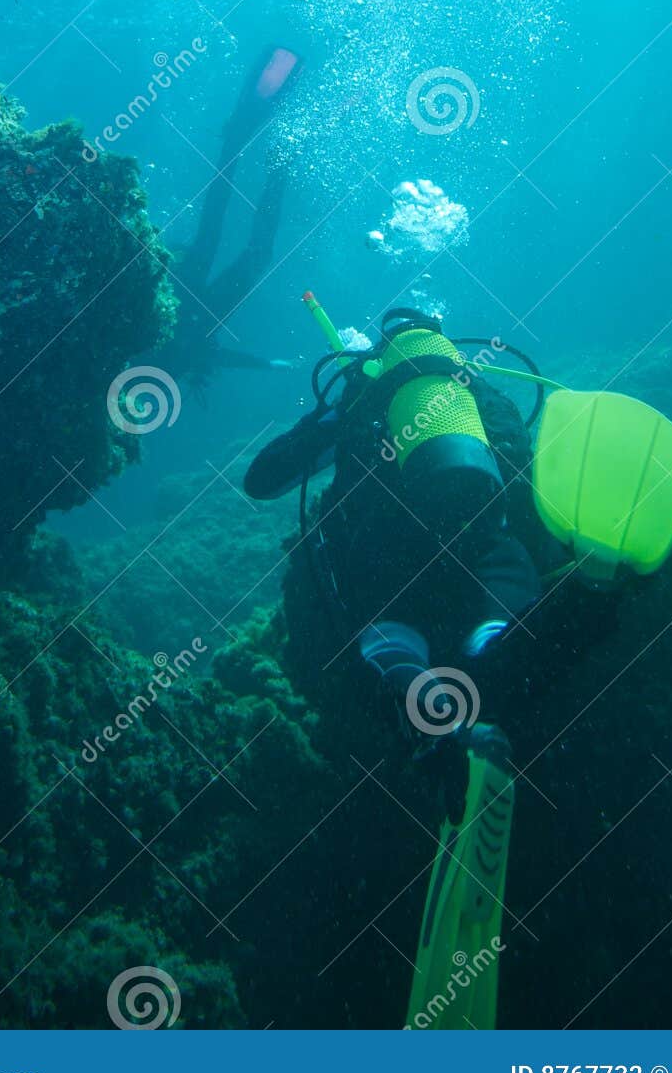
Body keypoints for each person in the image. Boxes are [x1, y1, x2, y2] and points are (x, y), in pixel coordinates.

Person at [244, 307, 607, 813]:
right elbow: (518, 461)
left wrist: (341, 412)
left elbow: (263, 481)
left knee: (390, 625)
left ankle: (427, 703)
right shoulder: (475, 387)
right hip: (480, 527)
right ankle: (507, 645)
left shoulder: (364, 389)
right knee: (498, 591)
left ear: (380, 351)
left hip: (384, 542)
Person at [170, 46, 303, 389]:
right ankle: (263, 151)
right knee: (218, 224)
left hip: (186, 298)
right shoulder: (155, 367)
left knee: (225, 231)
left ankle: (262, 150)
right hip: (193, 306)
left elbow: (205, 357)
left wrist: (268, 365)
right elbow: (209, 357)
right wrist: (268, 364)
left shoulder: (146, 367)